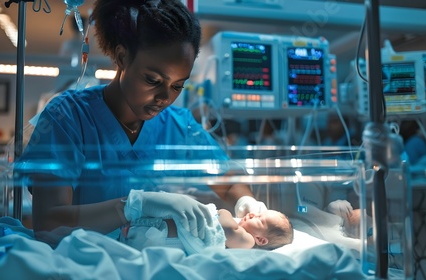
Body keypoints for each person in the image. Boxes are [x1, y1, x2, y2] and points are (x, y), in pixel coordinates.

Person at [17, 0, 267, 243]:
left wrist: (245, 203)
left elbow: (229, 178)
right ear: (122, 57)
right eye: (153, 80)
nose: (165, 97)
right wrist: (133, 206)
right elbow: (49, 224)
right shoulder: (67, 117)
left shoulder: (179, 125)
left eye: (177, 86)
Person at [120, 190, 293, 254]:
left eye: (261, 220)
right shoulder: (243, 229)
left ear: (261, 240)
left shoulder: (248, 242)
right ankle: (133, 229)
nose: (254, 214)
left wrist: (224, 212)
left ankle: (133, 234)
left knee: (157, 234)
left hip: (173, 238)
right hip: (177, 228)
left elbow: (226, 228)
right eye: (258, 213)